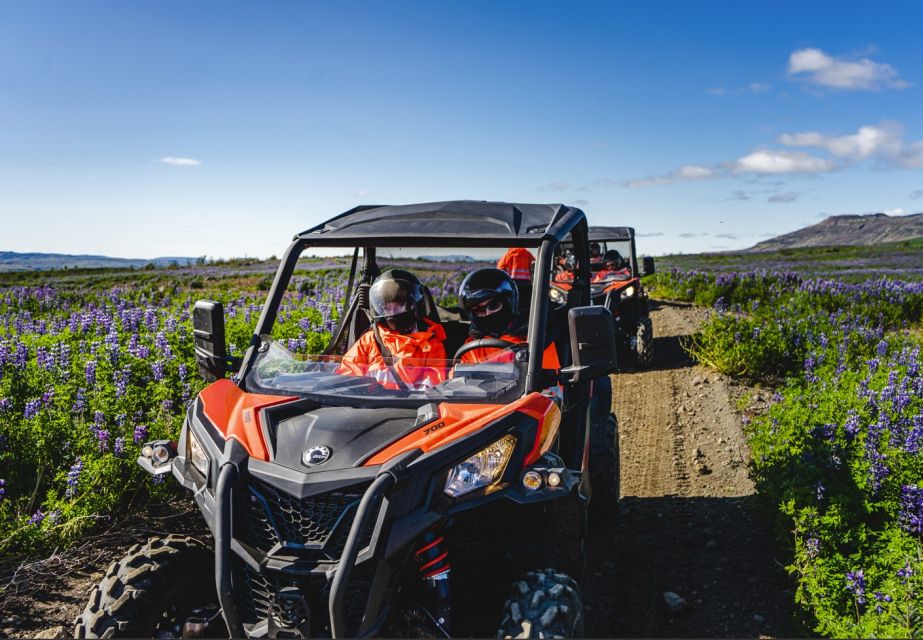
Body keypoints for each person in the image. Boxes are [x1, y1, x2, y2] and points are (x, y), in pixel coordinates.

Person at [338, 269, 447, 389]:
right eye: (387, 307)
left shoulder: (431, 344)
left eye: (399, 306)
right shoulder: (371, 339)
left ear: (414, 305)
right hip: (369, 405)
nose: (392, 313)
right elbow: (347, 376)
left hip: (412, 407)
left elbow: (433, 387)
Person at [457, 268, 559, 369]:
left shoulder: (538, 339)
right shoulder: (473, 346)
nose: (487, 313)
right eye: (479, 310)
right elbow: (459, 380)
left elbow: (547, 380)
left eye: (493, 305)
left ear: (508, 304)